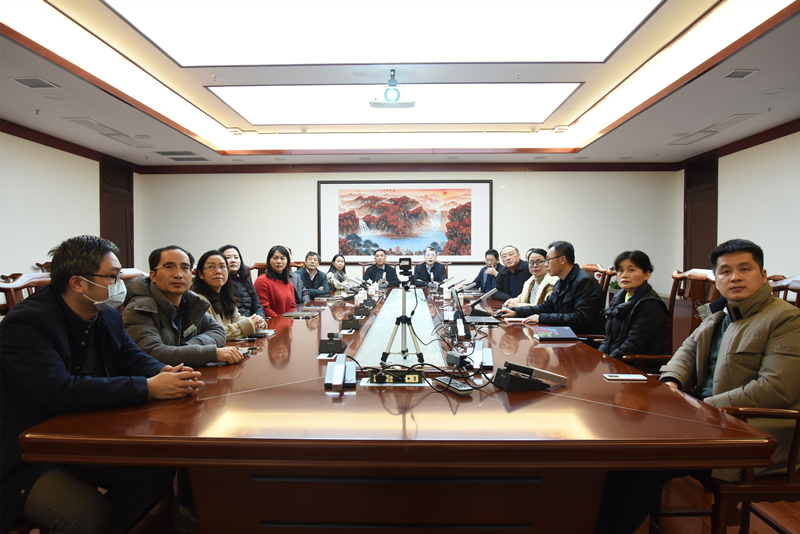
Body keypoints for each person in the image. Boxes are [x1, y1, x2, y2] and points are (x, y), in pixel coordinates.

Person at [0, 235, 202, 534]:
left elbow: (130, 357)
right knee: (86, 514)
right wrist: (148, 388)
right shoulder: (27, 324)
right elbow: (60, 391)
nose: (121, 284)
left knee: (156, 472)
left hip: (81, 434)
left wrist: (166, 372)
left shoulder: (105, 312)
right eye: (113, 276)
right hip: (24, 453)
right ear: (77, 283)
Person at [596, 239, 800, 534]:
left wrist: (697, 408)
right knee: (623, 446)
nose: (735, 277)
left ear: (763, 274)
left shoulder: (786, 319)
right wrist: (671, 382)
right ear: (717, 278)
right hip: (705, 421)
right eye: (726, 271)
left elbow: (775, 389)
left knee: (645, 462)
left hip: (750, 433)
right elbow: (686, 352)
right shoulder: (722, 312)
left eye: (745, 269)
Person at [123, 246, 242, 367]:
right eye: (169, 267)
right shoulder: (139, 308)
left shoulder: (191, 302)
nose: (178, 274)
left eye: (185, 268)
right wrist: (210, 353)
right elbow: (151, 353)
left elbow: (218, 331)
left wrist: (186, 349)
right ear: (153, 275)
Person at [499, 241, 605, 334]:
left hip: (580, 339)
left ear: (562, 260)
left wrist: (541, 318)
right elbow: (546, 306)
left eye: (548, 260)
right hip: (564, 332)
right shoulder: (561, 281)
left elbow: (580, 318)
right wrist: (516, 312)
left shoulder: (585, 282)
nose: (546, 264)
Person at [597, 250, 669, 362]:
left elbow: (633, 344)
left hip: (638, 365)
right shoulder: (618, 299)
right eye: (620, 270)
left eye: (631, 270)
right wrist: (598, 358)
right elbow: (608, 338)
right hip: (616, 361)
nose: (624, 275)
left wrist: (607, 361)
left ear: (646, 275)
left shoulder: (651, 304)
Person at [192, 250, 266, 340]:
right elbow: (212, 334)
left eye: (222, 266)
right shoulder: (198, 300)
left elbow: (237, 319)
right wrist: (249, 325)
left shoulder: (225, 296)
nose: (218, 271)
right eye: (211, 267)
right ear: (200, 274)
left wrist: (257, 322)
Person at [255, 245, 304, 317]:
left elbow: (292, 306)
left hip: (286, 321)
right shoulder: (261, 281)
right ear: (269, 261)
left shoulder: (288, 282)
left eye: (282, 258)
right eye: (275, 258)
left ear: (287, 261)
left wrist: (289, 320)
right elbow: (264, 308)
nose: (279, 261)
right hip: (271, 322)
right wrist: (281, 320)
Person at [219, 244, 266, 319]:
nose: (233, 261)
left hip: (252, 322)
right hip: (235, 323)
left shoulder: (245, 281)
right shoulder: (219, 284)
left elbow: (257, 306)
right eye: (228, 257)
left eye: (236, 257)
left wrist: (260, 319)